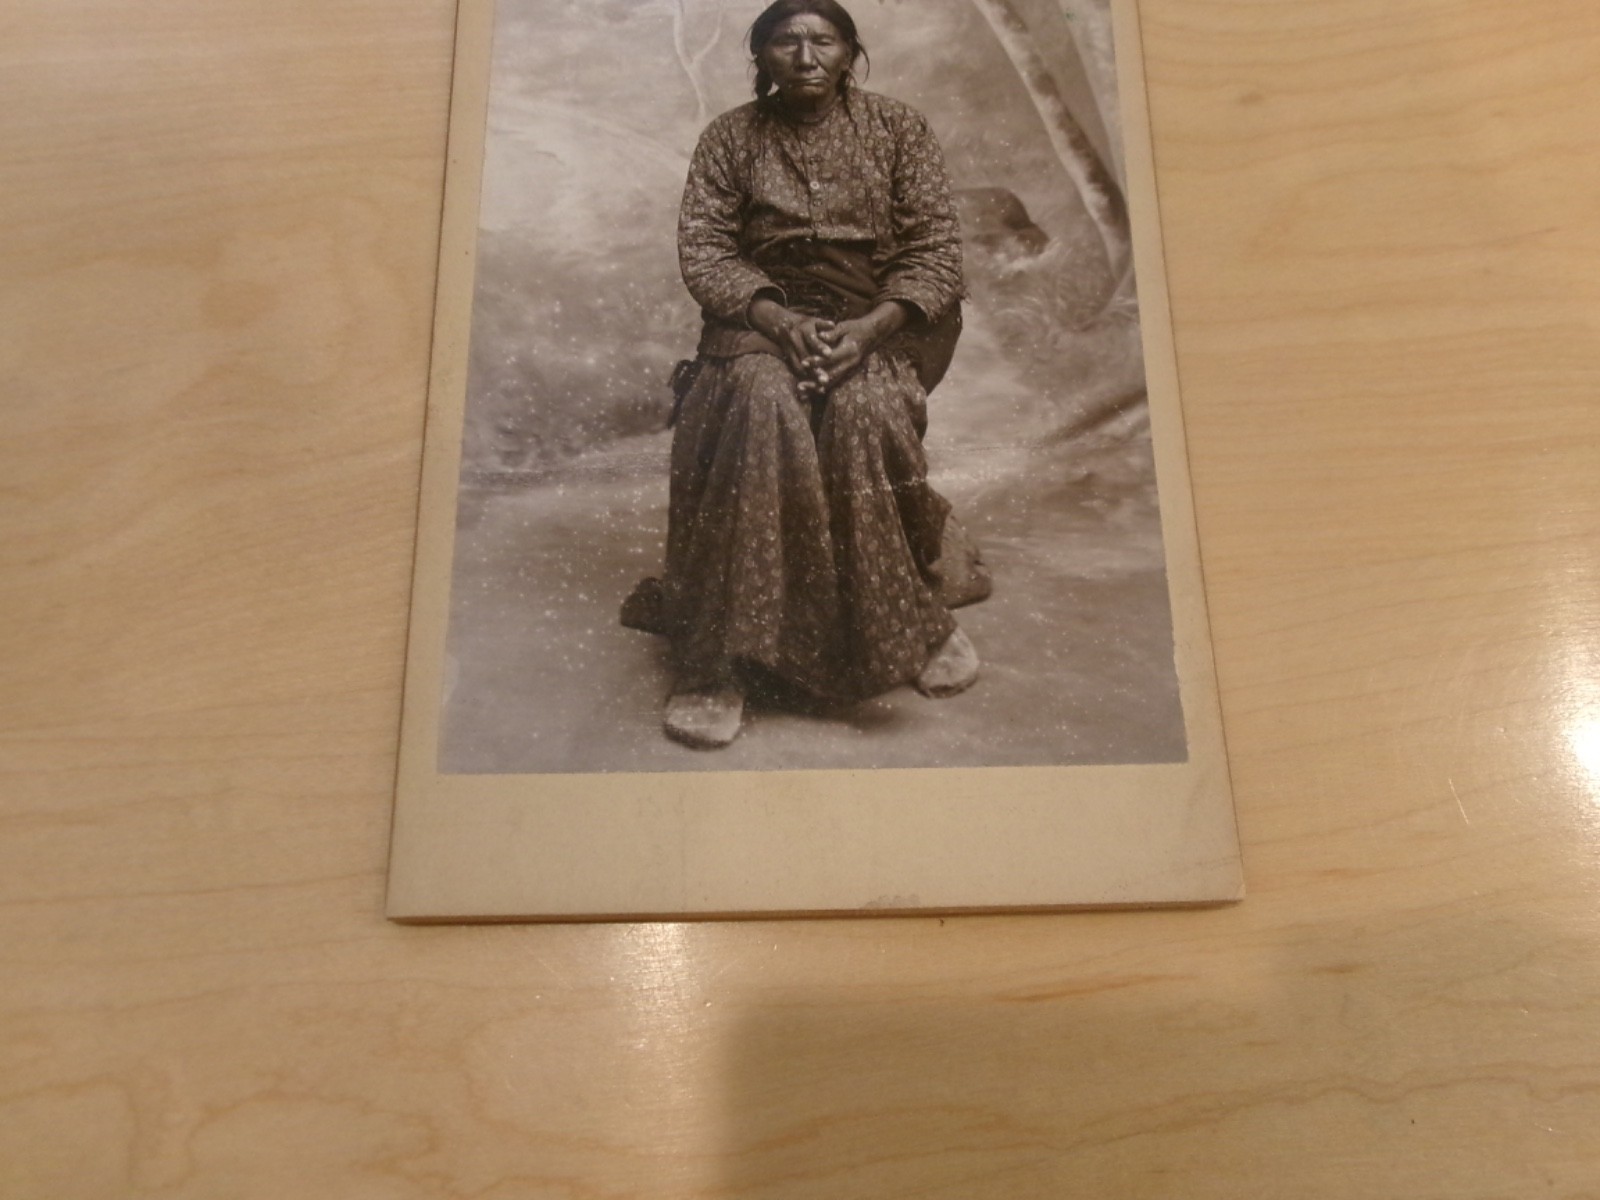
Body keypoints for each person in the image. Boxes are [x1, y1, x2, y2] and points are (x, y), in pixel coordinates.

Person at [639, 0, 986, 748]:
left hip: (875, 319)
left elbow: (935, 250)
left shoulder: (899, 129)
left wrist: (867, 332)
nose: (805, 56)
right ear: (759, 57)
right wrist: (779, 321)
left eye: (823, 40)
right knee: (762, 409)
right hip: (758, 323)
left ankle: (911, 630)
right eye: (784, 42)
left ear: (849, 52)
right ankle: (717, 665)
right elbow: (705, 252)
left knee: (865, 415)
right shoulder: (730, 137)